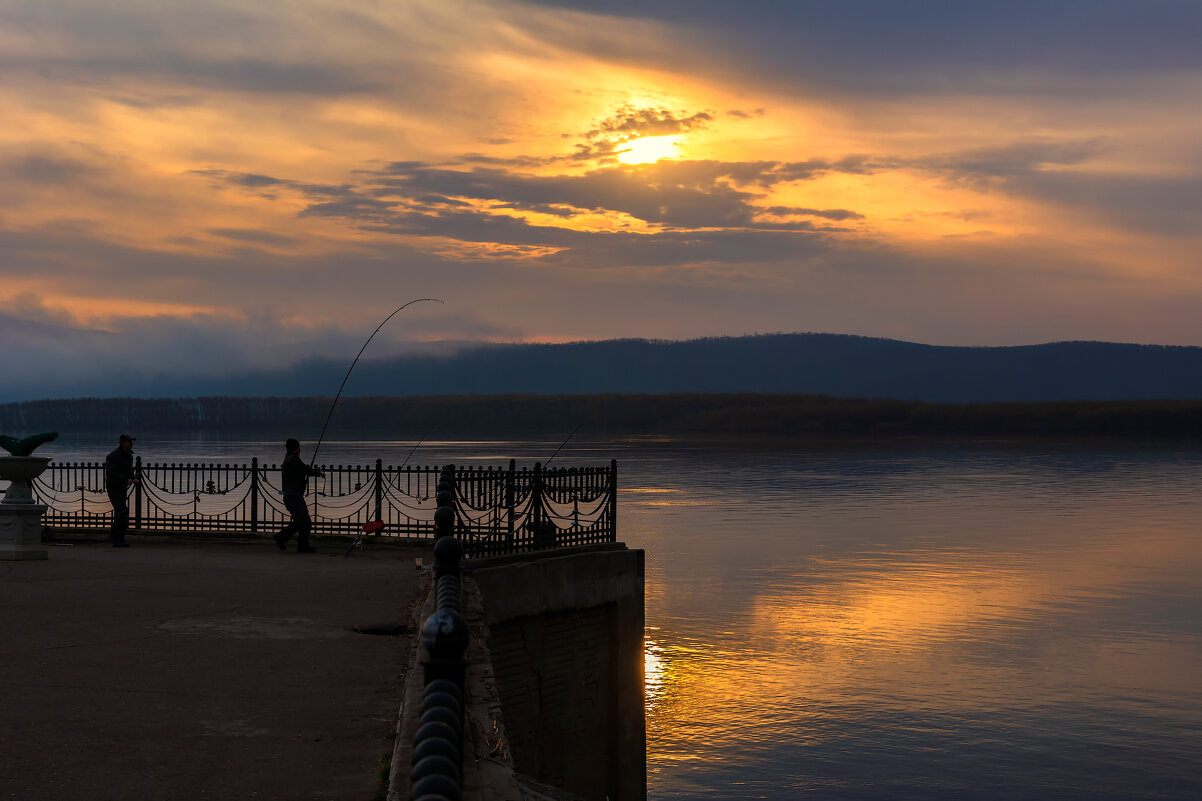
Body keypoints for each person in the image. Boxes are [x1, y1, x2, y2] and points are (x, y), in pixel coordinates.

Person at [274, 438, 324, 553]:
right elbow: (304, 469)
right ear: (295, 448)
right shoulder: (293, 459)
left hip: (293, 496)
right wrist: (318, 473)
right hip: (293, 497)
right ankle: (281, 538)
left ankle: (301, 545)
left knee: (303, 521)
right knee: (303, 521)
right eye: (299, 447)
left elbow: (301, 470)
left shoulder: (290, 458)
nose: (300, 449)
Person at [104, 434, 138, 547]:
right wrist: (125, 479)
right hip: (113, 486)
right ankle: (114, 537)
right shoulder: (113, 455)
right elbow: (110, 473)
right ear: (122, 442)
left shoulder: (128, 455)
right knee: (121, 511)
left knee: (123, 512)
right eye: (129, 441)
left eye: (131, 441)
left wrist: (133, 478)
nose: (131, 444)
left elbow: (128, 470)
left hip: (122, 486)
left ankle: (119, 539)